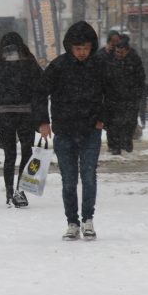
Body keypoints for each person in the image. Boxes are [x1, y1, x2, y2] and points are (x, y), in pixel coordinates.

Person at [34, 21, 109, 241]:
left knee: (89, 177)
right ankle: (72, 222)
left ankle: (88, 219)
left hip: (90, 130)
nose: (82, 53)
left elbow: (112, 94)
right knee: (68, 179)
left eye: (85, 48)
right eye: (78, 49)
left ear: (91, 47)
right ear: (70, 47)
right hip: (64, 131)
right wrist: (43, 122)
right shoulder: (58, 66)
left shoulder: (99, 66)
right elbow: (39, 93)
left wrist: (102, 118)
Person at [0, 32, 43, 207]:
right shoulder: (30, 64)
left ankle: (10, 191)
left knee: (9, 154)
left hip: (4, 114)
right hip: (26, 114)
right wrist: (40, 117)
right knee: (27, 152)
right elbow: (39, 90)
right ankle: (20, 190)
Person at [106, 35, 146, 154]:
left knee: (129, 122)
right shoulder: (111, 59)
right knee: (113, 123)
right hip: (114, 97)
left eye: (121, 52)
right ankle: (114, 146)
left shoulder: (134, 60)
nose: (118, 54)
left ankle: (126, 142)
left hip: (130, 97)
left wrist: (136, 94)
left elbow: (140, 78)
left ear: (127, 51)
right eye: (117, 52)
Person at [97, 30, 122, 149]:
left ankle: (115, 145)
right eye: (113, 41)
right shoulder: (100, 55)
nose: (115, 44)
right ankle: (112, 144)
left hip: (117, 92)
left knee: (116, 120)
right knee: (108, 120)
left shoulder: (119, 55)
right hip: (104, 94)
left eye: (117, 41)